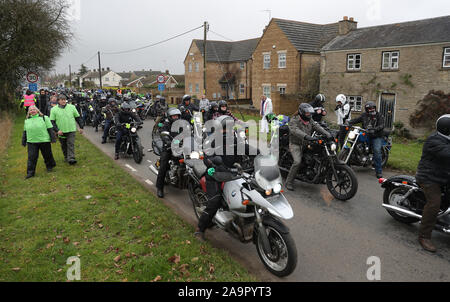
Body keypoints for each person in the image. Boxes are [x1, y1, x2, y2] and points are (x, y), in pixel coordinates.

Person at [194, 115, 247, 241]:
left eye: (229, 128)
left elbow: (245, 150)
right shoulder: (210, 141)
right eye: (224, 129)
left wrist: (259, 154)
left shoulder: (234, 139)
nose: (227, 131)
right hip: (215, 174)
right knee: (214, 202)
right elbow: (207, 158)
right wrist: (213, 164)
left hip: (233, 173)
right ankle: (200, 230)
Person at [415, 114, 450, 252]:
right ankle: (424, 236)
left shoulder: (445, 138)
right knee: (434, 203)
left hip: (443, 175)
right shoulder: (434, 141)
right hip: (429, 177)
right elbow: (447, 154)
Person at [285, 103, 332, 191]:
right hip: (295, 144)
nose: (309, 115)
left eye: (310, 113)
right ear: (302, 112)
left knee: (320, 156)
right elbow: (295, 130)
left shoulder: (309, 119)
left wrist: (327, 134)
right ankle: (289, 182)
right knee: (297, 162)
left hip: (306, 143)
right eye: (307, 113)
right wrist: (306, 136)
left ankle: (320, 176)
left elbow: (316, 126)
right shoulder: (294, 120)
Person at [347, 101, 385, 178]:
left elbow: (382, 125)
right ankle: (350, 163)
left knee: (377, 151)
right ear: (366, 109)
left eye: (373, 108)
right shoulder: (364, 115)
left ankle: (379, 171)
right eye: (369, 108)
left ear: (375, 108)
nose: (371, 109)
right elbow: (356, 120)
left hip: (376, 136)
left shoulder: (379, 115)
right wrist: (348, 122)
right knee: (355, 141)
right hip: (367, 134)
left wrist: (374, 129)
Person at [22, 105, 56, 179]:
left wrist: (53, 138)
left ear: (37, 110)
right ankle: (30, 173)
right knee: (32, 157)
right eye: (30, 110)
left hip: (44, 140)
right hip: (31, 141)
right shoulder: (27, 120)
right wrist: (23, 141)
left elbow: (50, 129)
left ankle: (49, 166)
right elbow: (25, 132)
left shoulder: (44, 118)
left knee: (47, 155)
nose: (32, 111)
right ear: (29, 112)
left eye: (34, 109)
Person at [155, 107, 183, 198]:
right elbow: (163, 133)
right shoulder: (166, 124)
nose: (175, 118)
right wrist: (167, 141)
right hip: (168, 147)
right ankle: (160, 188)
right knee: (163, 166)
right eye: (174, 116)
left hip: (180, 147)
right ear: (170, 117)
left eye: (177, 116)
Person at [49, 94, 84, 165]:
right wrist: (57, 130)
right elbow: (52, 122)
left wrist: (81, 127)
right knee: (64, 145)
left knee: (70, 144)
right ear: (58, 101)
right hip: (61, 131)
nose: (64, 101)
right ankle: (66, 156)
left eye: (64, 99)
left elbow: (78, 117)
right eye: (62, 100)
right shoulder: (53, 109)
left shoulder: (72, 107)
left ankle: (71, 158)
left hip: (71, 129)